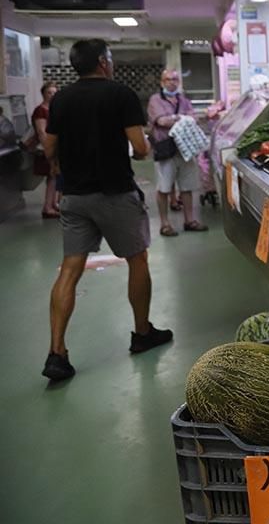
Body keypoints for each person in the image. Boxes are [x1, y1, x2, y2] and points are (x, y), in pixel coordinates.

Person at [42, 39, 172, 381]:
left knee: (70, 269)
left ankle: (57, 353)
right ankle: (142, 333)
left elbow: (49, 145)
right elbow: (141, 148)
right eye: (110, 58)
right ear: (102, 62)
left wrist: (62, 162)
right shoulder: (121, 95)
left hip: (74, 196)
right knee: (137, 259)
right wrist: (138, 147)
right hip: (115, 193)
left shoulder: (61, 99)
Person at [147, 68, 207, 236]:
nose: (171, 82)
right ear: (162, 82)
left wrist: (177, 118)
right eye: (168, 79)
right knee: (164, 188)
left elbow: (193, 118)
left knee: (187, 187)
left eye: (174, 79)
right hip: (166, 149)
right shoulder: (155, 100)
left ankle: (190, 220)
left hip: (186, 150)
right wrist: (181, 118)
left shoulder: (183, 99)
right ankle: (165, 224)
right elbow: (161, 121)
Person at [29, 82, 60, 218]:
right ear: (43, 94)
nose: (52, 95)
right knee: (52, 176)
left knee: (53, 177)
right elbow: (42, 132)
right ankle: (47, 207)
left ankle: (52, 204)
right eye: (49, 92)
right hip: (46, 148)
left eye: (54, 92)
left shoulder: (53, 109)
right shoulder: (40, 110)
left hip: (53, 147)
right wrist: (50, 150)